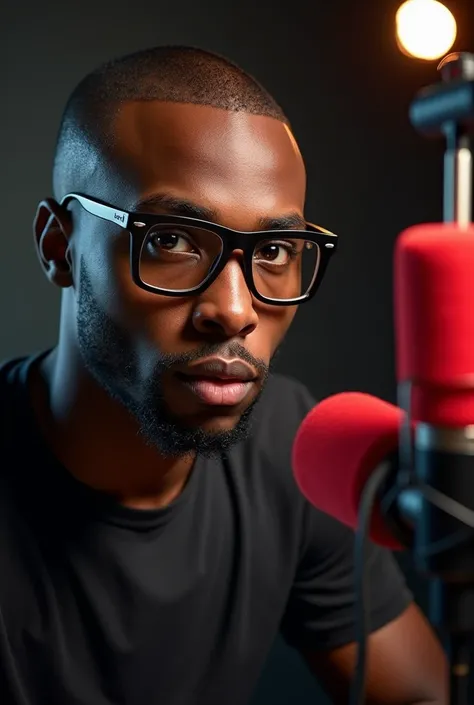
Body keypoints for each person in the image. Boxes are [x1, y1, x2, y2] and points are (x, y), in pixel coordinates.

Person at [0, 46, 447, 705]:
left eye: (271, 251)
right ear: (59, 246)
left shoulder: (294, 450)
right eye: (172, 239)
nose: (234, 311)